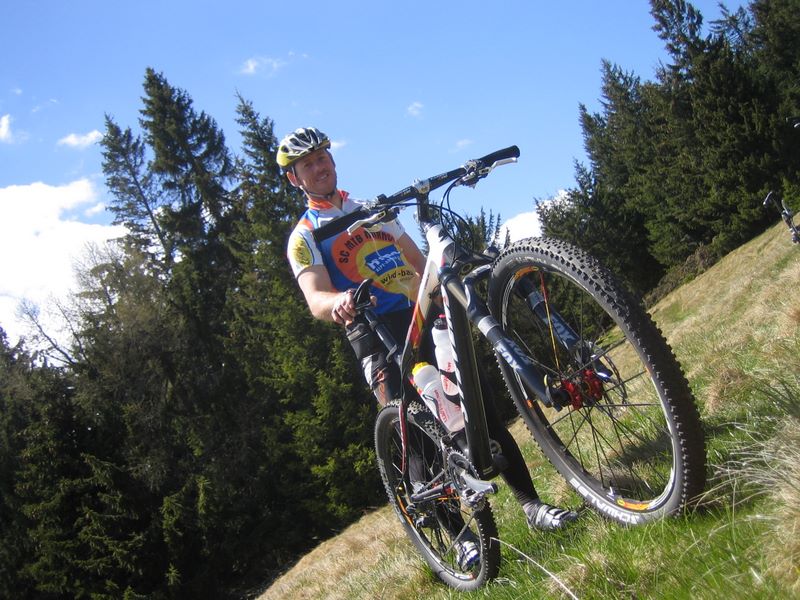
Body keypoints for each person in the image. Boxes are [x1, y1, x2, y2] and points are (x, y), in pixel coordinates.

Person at [281, 127, 578, 550]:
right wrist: (339, 302)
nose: (319, 166)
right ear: (294, 178)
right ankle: (459, 540)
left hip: (420, 312)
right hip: (374, 330)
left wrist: (440, 294)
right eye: (307, 164)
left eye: (322, 157)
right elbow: (315, 298)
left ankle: (532, 506)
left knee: (480, 408)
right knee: (417, 434)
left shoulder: (371, 209)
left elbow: (419, 262)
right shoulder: (305, 236)